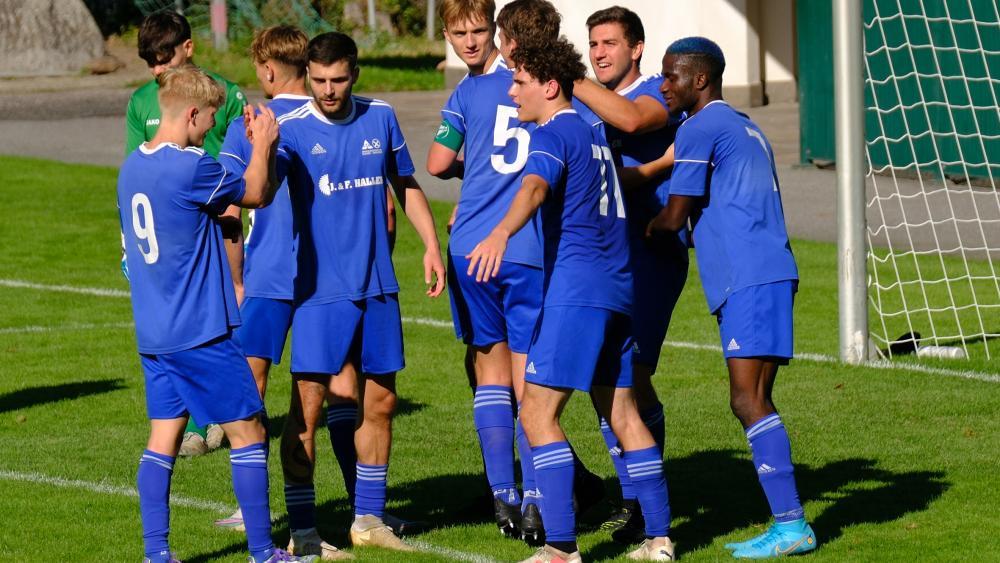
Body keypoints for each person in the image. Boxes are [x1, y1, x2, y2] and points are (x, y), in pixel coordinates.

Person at [467, 38, 675, 563]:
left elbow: (534, 187)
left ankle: (560, 548)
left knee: (536, 412)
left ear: (549, 86)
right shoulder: (593, 132)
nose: (511, 91)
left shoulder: (555, 131)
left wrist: (499, 234)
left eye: (519, 82)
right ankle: (660, 539)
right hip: (619, 290)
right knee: (624, 415)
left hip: (576, 293)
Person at [117, 66, 314, 563]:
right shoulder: (189, 167)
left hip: (154, 332)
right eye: (208, 120)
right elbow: (255, 194)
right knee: (250, 431)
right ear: (190, 113)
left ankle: (156, 555)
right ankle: (263, 552)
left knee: (163, 437)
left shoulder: (130, 169)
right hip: (198, 330)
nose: (209, 130)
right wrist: (263, 142)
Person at [274, 31, 446, 552]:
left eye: (339, 79)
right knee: (306, 410)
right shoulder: (289, 128)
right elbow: (258, 189)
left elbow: (406, 184)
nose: (329, 90)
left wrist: (431, 246)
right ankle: (303, 529)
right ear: (307, 75)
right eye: (320, 80)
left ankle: (367, 521)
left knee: (382, 402)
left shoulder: (381, 116)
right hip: (318, 292)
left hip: (377, 286)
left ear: (355, 74)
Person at [647, 36, 817, 559]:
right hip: (765, 272)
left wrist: (627, 231)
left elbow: (675, 215)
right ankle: (788, 524)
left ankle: (792, 526)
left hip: (748, 277)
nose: (663, 85)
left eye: (672, 75)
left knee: (748, 400)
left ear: (701, 79)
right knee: (754, 398)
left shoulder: (701, 127)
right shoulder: (744, 124)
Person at [427, 0, 544, 541]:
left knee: (489, 370)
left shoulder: (465, 93)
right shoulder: (535, 82)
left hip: (471, 243)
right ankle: (537, 498)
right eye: (460, 32)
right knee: (527, 377)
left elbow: (435, 164)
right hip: (524, 244)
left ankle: (503, 494)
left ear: (494, 30)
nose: (470, 42)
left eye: (477, 32)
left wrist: (469, 168)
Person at [572, 6, 688, 543]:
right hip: (599, 260)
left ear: (636, 48)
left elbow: (632, 123)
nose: (599, 53)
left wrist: (566, 76)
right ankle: (633, 494)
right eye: (593, 43)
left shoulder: (657, 93)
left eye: (610, 43)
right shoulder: (585, 99)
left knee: (631, 379)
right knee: (603, 381)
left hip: (650, 253)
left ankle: (645, 503)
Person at [124, 10, 247, 457]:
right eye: (150, 62)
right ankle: (201, 421)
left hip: (224, 211)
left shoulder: (226, 94)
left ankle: (226, 411)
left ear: (188, 49)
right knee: (182, 321)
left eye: (164, 57)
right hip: (175, 231)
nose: (158, 69)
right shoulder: (142, 102)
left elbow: (238, 149)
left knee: (231, 304)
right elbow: (136, 169)